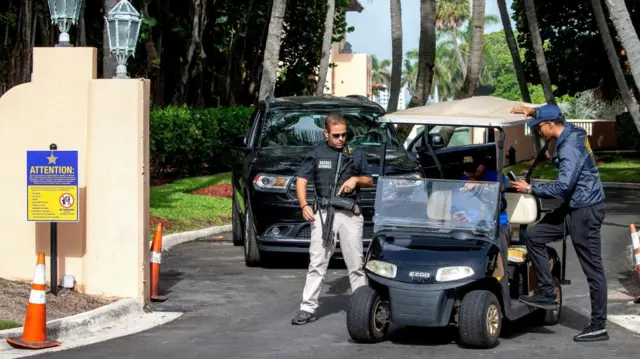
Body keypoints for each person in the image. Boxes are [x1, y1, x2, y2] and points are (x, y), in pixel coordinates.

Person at [510, 103, 608, 342]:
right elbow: (555, 113)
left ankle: (598, 326)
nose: (538, 131)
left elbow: (563, 186)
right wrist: (531, 111)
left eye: (539, 127)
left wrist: (530, 188)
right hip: (573, 206)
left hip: (585, 210)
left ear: (551, 125)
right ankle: (546, 293)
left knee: (592, 269)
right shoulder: (570, 130)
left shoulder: (570, 147)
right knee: (535, 236)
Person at [291, 113, 373, 325]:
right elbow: (301, 180)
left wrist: (356, 179)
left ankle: (361, 307)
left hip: (349, 214)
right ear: (325, 133)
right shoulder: (317, 152)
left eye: (344, 134)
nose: (341, 139)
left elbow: (369, 180)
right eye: (336, 135)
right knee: (317, 262)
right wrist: (304, 204)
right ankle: (307, 308)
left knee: (355, 264)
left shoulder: (355, 153)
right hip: (324, 214)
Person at [451, 157, 512, 270]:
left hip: (495, 226)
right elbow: (453, 209)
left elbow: (500, 194)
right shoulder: (460, 182)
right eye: (466, 170)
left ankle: (503, 277)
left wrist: (479, 186)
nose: (468, 173)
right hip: (468, 227)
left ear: (481, 167)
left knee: (499, 244)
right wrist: (457, 215)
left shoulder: (495, 177)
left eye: (472, 169)